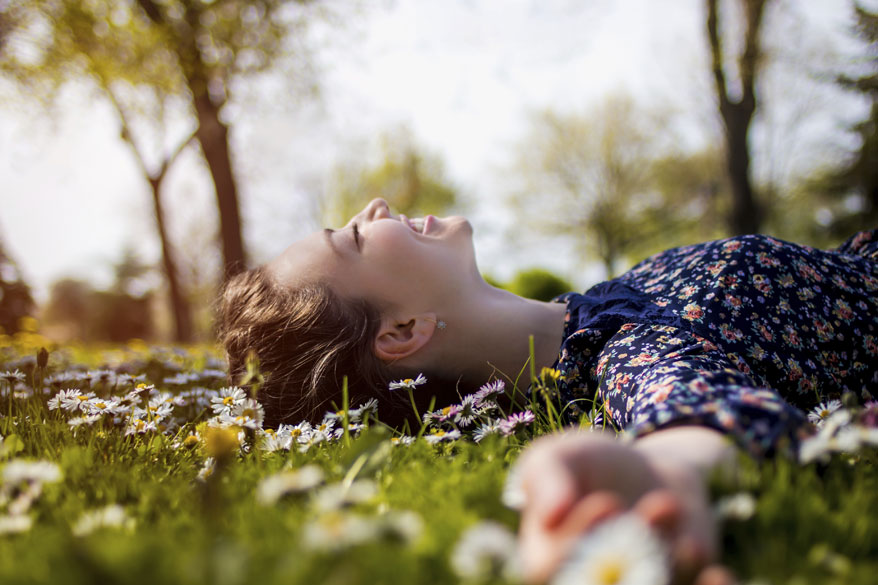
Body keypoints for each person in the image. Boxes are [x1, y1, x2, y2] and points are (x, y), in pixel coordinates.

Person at [218, 198, 878, 583]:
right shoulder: (623, 354)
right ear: (401, 333)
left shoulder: (603, 306)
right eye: (357, 236)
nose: (376, 206)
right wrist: (660, 477)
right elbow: (688, 412)